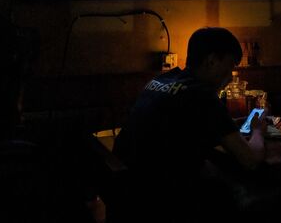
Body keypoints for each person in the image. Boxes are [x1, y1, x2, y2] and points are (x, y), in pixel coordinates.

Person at [111, 27, 266, 221]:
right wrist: (258, 130)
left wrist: (230, 124)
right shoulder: (202, 95)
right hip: (161, 201)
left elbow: (180, 125)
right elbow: (250, 160)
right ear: (211, 61)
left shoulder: (161, 81)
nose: (229, 78)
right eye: (228, 69)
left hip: (127, 192)